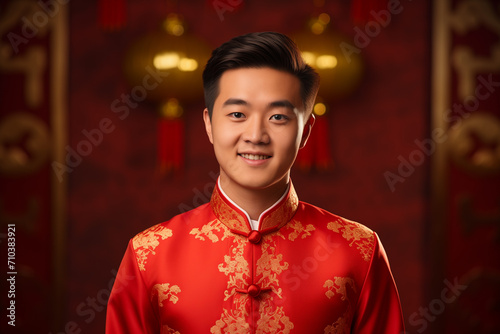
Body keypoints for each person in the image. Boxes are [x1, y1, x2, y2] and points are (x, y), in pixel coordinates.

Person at [106, 31, 405, 333]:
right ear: (209, 124)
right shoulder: (149, 255)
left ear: (306, 131)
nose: (256, 135)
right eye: (237, 114)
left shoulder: (358, 251)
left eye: (278, 117)